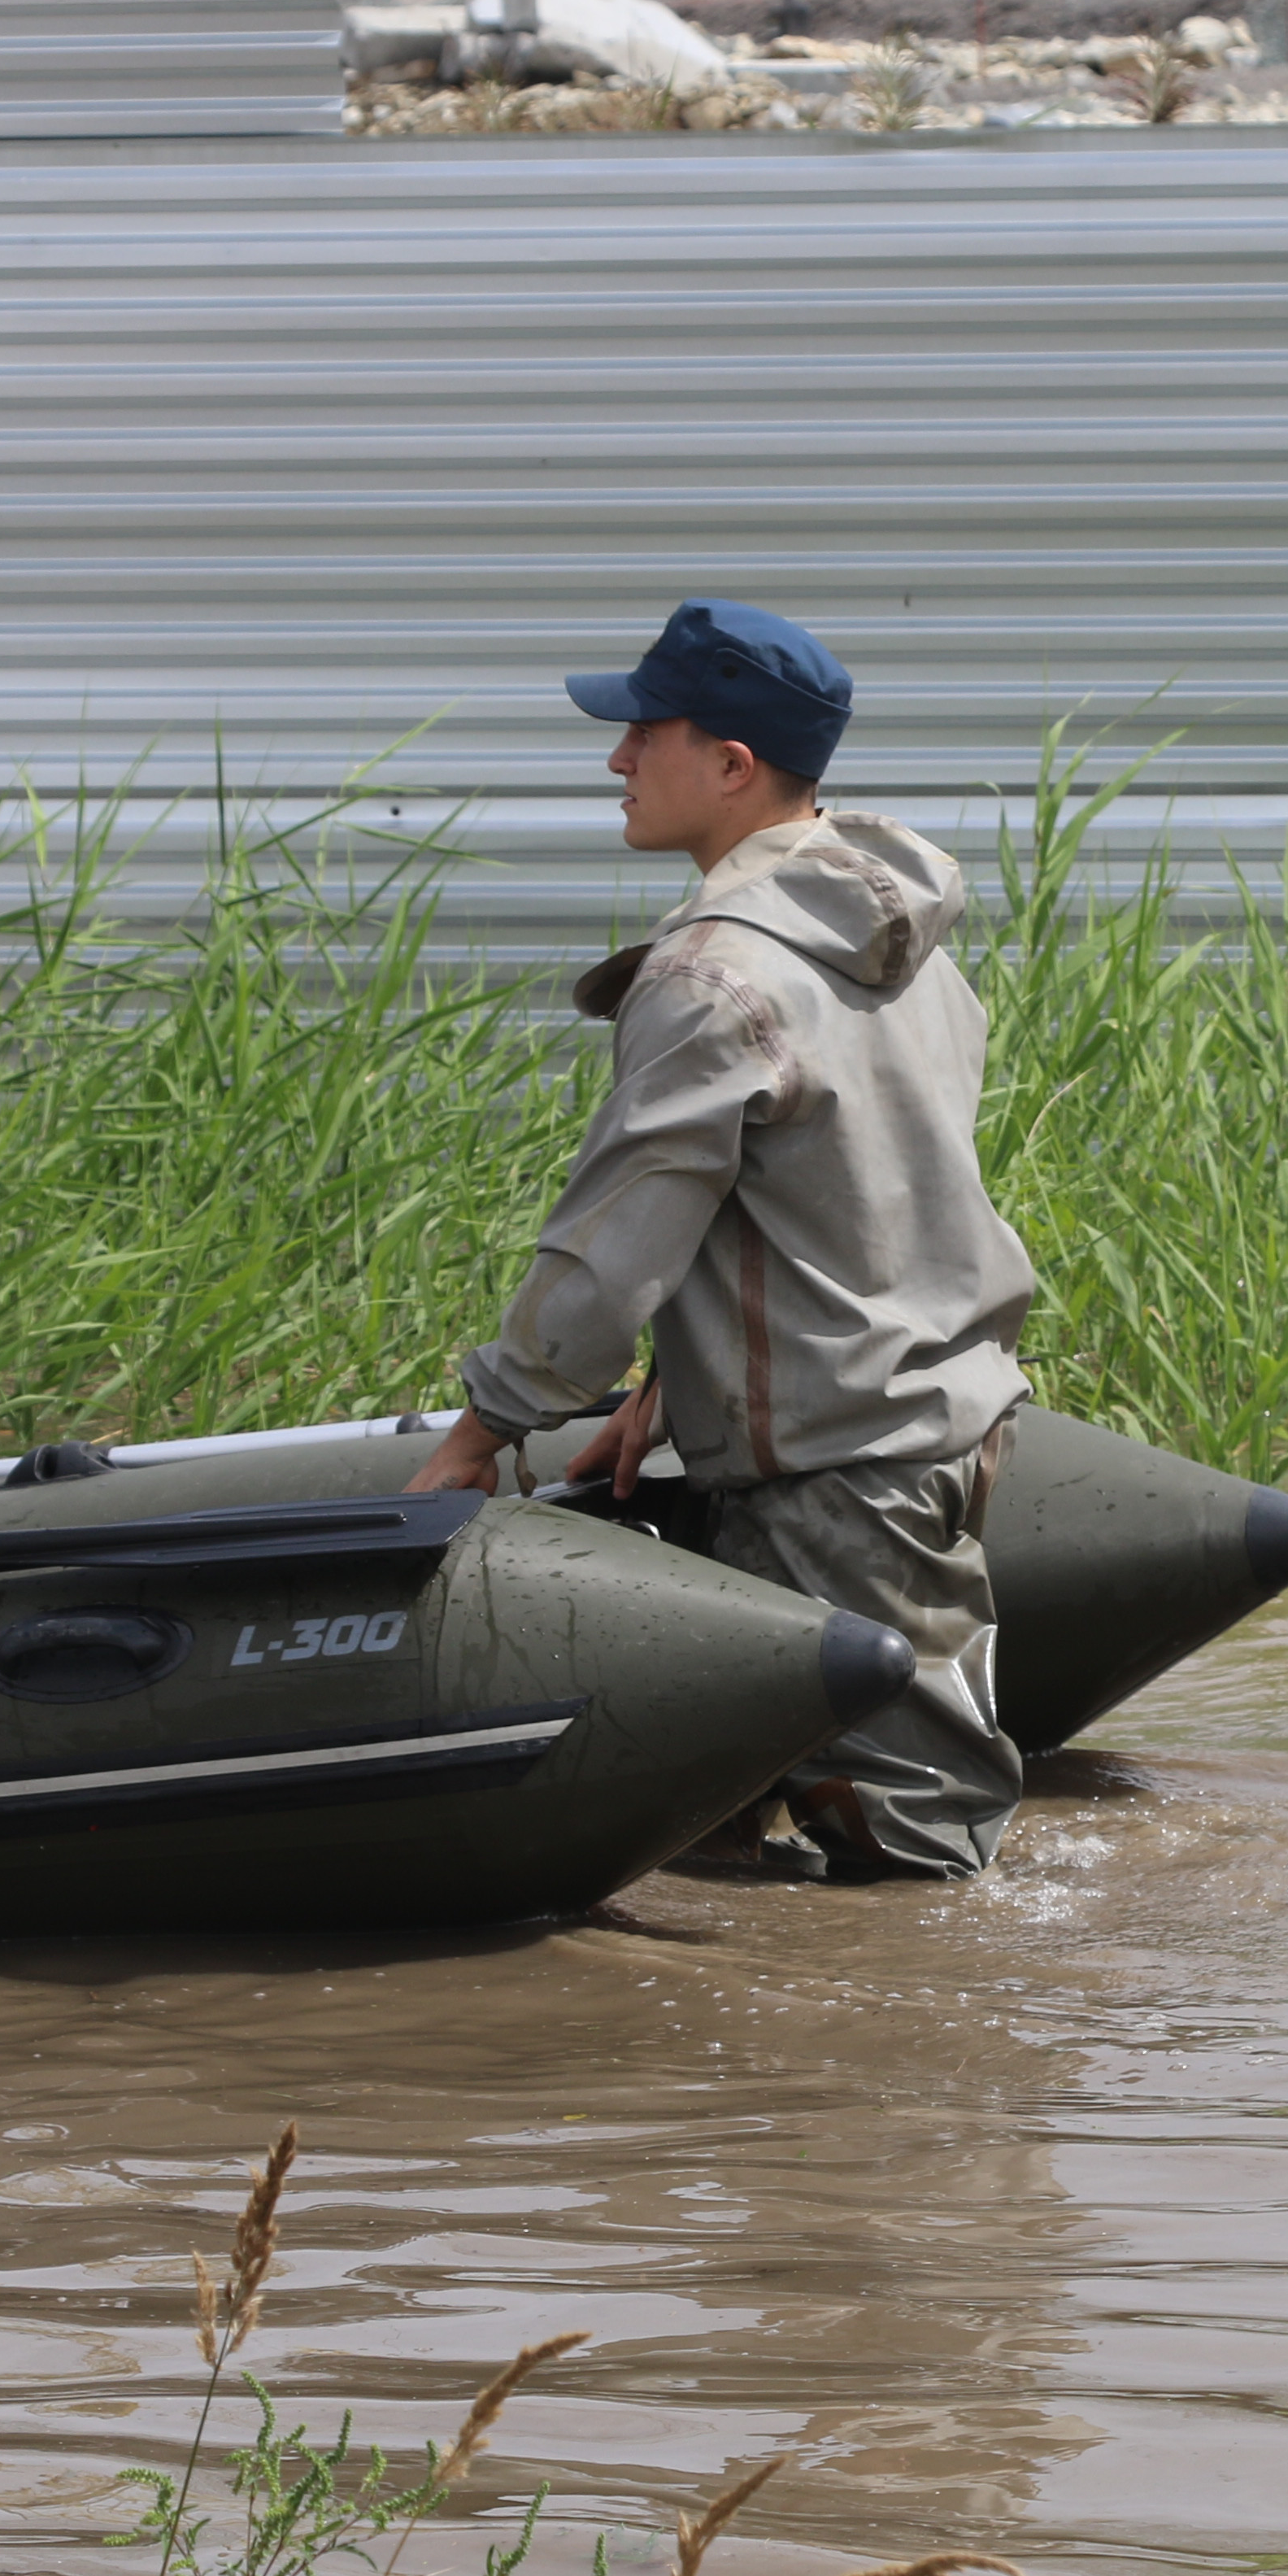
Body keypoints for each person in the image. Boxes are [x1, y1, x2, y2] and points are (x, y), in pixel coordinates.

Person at [403, 599, 1039, 1881]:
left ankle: (960, 2064)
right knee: (901, 1824)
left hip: (836, 1469)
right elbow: (834, 1197)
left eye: (645, 733)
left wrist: (485, 1430)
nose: (617, 761)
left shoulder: (711, 975)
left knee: (916, 1865)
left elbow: (611, 1246)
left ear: (732, 766)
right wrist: (672, 1382)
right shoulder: (901, 948)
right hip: (945, 1431)